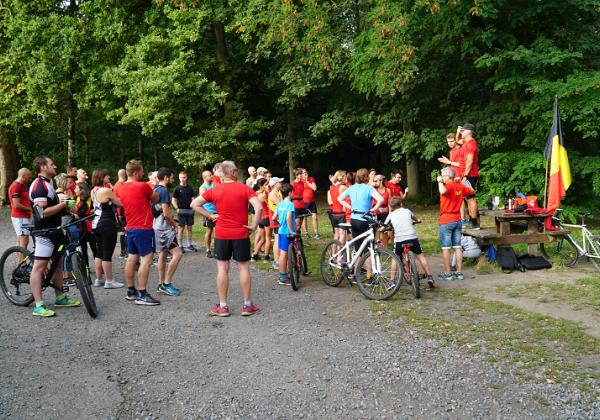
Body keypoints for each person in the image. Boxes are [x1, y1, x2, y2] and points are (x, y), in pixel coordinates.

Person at [191, 160, 262, 317]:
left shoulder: (215, 190)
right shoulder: (245, 188)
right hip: (241, 233)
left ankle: (223, 307)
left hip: (222, 234)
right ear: (233, 173)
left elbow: (195, 204)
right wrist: (254, 226)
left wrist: (210, 215)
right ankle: (247, 305)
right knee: (243, 268)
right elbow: (259, 207)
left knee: (222, 268)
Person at [28, 156, 81, 317]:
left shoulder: (48, 184)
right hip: (44, 232)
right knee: (39, 267)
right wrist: (64, 204)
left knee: (57, 264)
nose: (55, 166)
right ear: (43, 167)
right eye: (52, 164)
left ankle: (60, 297)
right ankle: (38, 305)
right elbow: (42, 213)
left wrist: (66, 206)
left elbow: (53, 208)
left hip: (55, 230)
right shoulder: (39, 186)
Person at [114, 159, 160, 305]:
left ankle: (131, 291)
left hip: (130, 228)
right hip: (144, 228)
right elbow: (156, 197)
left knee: (131, 258)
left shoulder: (119, 187)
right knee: (146, 260)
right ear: (135, 173)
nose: (143, 173)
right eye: (141, 171)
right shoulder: (142, 186)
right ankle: (142, 293)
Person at [385, 196, 434, 288]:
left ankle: (392, 281)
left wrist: (382, 229)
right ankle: (429, 276)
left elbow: (384, 225)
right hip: (412, 238)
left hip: (400, 240)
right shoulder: (407, 211)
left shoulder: (390, 215)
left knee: (395, 258)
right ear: (401, 204)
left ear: (391, 207)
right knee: (420, 255)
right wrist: (418, 221)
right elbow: (415, 218)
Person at [436, 166, 475, 281]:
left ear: (448, 176)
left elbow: (442, 191)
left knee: (446, 248)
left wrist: (439, 182)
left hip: (446, 220)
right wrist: (461, 183)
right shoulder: (459, 186)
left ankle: (448, 274)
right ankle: (459, 272)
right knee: (458, 247)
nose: (442, 177)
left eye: (443, 175)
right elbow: (472, 191)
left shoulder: (446, 186)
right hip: (457, 219)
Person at [91, 169, 125, 289]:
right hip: (107, 223)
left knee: (99, 252)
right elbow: (120, 203)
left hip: (96, 223)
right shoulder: (105, 190)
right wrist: (111, 188)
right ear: (102, 177)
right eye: (107, 176)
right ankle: (109, 281)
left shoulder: (93, 190)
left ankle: (99, 278)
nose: (109, 177)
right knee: (107, 253)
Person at [153, 167, 182, 296]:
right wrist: (175, 225)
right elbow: (165, 213)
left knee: (163, 255)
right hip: (164, 228)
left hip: (156, 226)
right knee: (178, 254)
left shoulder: (154, 189)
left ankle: (161, 284)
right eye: (171, 177)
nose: (173, 179)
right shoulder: (164, 190)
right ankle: (166, 283)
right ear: (165, 178)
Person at [338, 168, 384, 251]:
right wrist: (374, 209)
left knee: (358, 248)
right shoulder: (369, 188)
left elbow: (340, 199)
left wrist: (350, 207)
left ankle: (358, 262)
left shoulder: (352, 188)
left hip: (354, 219)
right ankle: (367, 262)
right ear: (366, 177)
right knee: (368, 249)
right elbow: (381, 199)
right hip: (365, 219)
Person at [457, 123, 480, 229]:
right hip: (465, 174)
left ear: (469, 132)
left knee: (471, 198)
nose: (462, 132)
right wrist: (458, 132)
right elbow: (457, 141)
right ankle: (471, 220)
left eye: (463, 130)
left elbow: (470, 162)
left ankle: (474, 222)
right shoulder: (465, 142)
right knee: (467, 198)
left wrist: (465, 176)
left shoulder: (471, 144)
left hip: (470, 174)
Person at [72, 182, 98, 276]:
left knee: (94, 247)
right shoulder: (76, 199)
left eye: (76, 188)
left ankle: (98, 267)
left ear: (82, 190)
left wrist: (90, 212)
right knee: (83, 248)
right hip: (80, 228)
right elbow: (75, 211)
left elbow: (95, 210)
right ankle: (86, 267)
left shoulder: (91, 199)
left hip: (89, 228)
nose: (74, 190)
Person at [272, 184, 296, 286]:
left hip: (281, 231)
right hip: (287, 232)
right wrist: (291, 230)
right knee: (285, 254)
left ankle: (283, 276)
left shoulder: (280, 204)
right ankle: (283, 278)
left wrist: (280, 221)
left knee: (283, 253)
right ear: (290, 193)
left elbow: (273, 218)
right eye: (293, 192)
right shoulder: (290, 204)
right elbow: (288, 218)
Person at [172, 170, 197, 252]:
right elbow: (173, 200)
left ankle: (190, 245)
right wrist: (177, 209)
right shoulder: (177, 188)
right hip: (181, 211)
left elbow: (192, 198)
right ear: (179, 178)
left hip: (190, 210)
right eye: (181, 177)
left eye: (184, 177)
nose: (182, 179)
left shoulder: (190, 188)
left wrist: (193, 206)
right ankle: (181, 246)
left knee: (189, 228)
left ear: (186, 178)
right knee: (181, 229)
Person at [9, 168, 33, 249]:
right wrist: (31, 209)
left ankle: (21, 260)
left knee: (21, 241)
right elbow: (16, 205)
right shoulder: (16, 186)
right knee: (24, 240)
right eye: (29, 177)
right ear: (23, 176)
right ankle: (22, 261)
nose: (30, 180)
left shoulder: (22, 185)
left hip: (24, 216)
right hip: (20, 217)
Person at [251, 179, 271, 261]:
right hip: (266, 217)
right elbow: (269, 206)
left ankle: (255, 255)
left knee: (262, 238)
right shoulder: (263, 195)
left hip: (260, 218)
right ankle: (266, 257)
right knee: (268, 238)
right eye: (266, 184)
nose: (267, 186)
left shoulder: (255, 194)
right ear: (261, 185)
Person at [199, 170, 217, 258]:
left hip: (218, 211)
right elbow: (207, 198)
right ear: (205, 177)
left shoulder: (215, 185)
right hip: (208, 212)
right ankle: (208, 250)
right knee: (209, 230)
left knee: (218, 230)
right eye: (210, 175)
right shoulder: (202, 187)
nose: (212, 176)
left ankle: (217, 249)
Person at [268, 177, 284, 269]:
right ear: (275, 184)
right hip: (275, 218)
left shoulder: (277, 192)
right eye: (279, 182)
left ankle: (278, 259)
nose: (281, 183)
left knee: (279, 238)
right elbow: (281, 205)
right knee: (277, 239)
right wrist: (282, 197)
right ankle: (276, 261)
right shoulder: (272, 194)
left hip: (279, 218)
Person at [327, 170, 347, 244]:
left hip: (334, 214)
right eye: (345, 175)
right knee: (342, 235)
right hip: (341, 214)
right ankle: (340, 254)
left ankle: (334, 254)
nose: (346, 177)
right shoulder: (343, 187)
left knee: (336, 235)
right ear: (341, 177)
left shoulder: (332, 187)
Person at [373, 174, 391, 247]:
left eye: (376, 181)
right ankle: (377, 248)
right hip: (376, 212)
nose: (374, 182)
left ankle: (385, 248)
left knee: (385, 231)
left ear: (381, 181)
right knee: (376, 230)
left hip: (385, 212)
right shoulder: (374, 190)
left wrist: (390, 212)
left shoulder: (388, 190)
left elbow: (389, 202)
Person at [113, 169, 128, 258]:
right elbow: (120, 200)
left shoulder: (116, 185)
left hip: (120, 212)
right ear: (125, 175)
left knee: (123, 231)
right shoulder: (121, 186)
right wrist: (120, 214)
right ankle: (124, 251)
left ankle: (123, 251)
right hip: (122, 212)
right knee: (125, 231)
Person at [302, 169, 319, 239]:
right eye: (303, 173)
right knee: (304, 217)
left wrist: (307, 182)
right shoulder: (300, 181)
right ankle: (306, 232)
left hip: (312, 201)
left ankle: (316, 233)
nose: (305, 174)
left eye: (306, 172)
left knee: (314, 217)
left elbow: (314, 188)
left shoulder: (311, 179)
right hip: (304, 202)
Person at [291, 168, 307, 233]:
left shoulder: (302, 183)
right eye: (298, 174)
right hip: (296, 204)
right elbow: (291, 194)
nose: (300, 175)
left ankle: (298, 236)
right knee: (297, 223)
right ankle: (295, 236)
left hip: (302, 204)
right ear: (296, 175)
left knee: (300, 223)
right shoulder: (293, 183)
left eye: (301, 174)